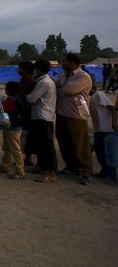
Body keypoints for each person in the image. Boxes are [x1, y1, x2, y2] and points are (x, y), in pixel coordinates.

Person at [54, 53, 94, 185]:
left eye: (64, 62)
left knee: (80, 144)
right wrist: (59, 88)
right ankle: (71, 167)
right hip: (62, 114)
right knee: (64, 142)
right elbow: (55, 86)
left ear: (72, 63)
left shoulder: (83, 77)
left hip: (76, 115)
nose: (62, 64)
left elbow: (68, 90)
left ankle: (86, 170)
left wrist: (59, 88)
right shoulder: (64, 76)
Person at [26, 60, 58, 183]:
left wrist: (27, 96)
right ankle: (42, 167)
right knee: (41, 145)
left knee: (47, 146)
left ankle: (52, 172)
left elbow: (33, 98)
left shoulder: (44, 82)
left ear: (38, 69)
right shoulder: (42, 81)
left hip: (43, 116)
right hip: (39, 116)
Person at [89, 86, 117, 181]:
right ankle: (105, 172)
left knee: (107, 152)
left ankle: (110, 174)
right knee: (100, 151)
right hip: (99, 128)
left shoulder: (99, 95)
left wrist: (114, 123)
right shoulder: (93, 97)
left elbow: (112, 108)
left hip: (106, 128)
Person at [1, 81, 26, 180]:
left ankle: (20, 172)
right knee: (7, 149)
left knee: (16, 151)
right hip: (10, 127)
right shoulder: (16, 100)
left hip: (13, 128)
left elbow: (2, 107)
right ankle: (5, 167)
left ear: (7, 90)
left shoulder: (13, 101)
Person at [17, 61, 37, 166]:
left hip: (26, 111)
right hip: (24, 110)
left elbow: (27, 97)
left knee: (26, 135)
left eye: (20, 68)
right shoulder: (24, 80)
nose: (18, 70)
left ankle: (25, 157)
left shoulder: (30, 81)